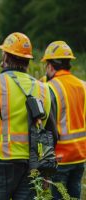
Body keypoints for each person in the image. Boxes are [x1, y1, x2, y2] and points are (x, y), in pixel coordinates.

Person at [0, 32, 58, 200]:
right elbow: (53, 135)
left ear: (6, 56)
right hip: (32, 166)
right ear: (28, 60)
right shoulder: (44, 89)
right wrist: (45, 171)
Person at [41, 41, 86, 199]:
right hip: (80, 155)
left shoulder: (50, 88)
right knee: (74, 196)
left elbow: (47, 131)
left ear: (51, 66)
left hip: (61, 157)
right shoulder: (83, 85)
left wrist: (45, 168)